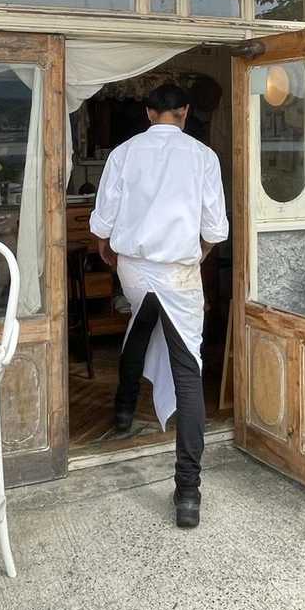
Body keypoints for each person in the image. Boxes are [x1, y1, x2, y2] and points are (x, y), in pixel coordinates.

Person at [89, 81, 229, 529]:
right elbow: (216, 229)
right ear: (184, 112)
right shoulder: (203, 157)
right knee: (188, 371)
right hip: (179, 273)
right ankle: (188, 492)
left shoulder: (123, 153)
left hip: (134, 269)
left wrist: (107, 247)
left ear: (149, 113)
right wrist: (199, 253)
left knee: (140, 327)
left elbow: (103, 223)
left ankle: (124, 409)